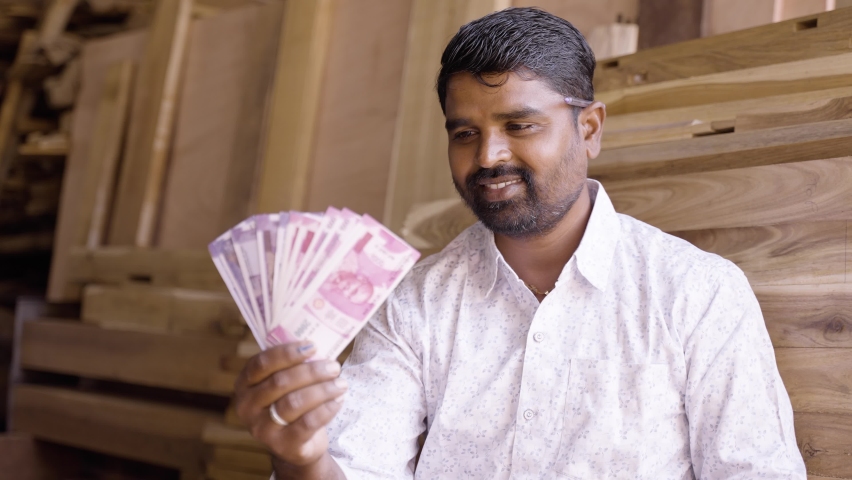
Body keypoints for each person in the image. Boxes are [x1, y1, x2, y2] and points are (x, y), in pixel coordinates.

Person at [233, 7, 807, 479]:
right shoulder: (416, 303)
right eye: (465, 133)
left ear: (589, 129)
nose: (488, 156)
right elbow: (359, 468)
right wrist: (301, 459)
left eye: (519, 126)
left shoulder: (698, 294)